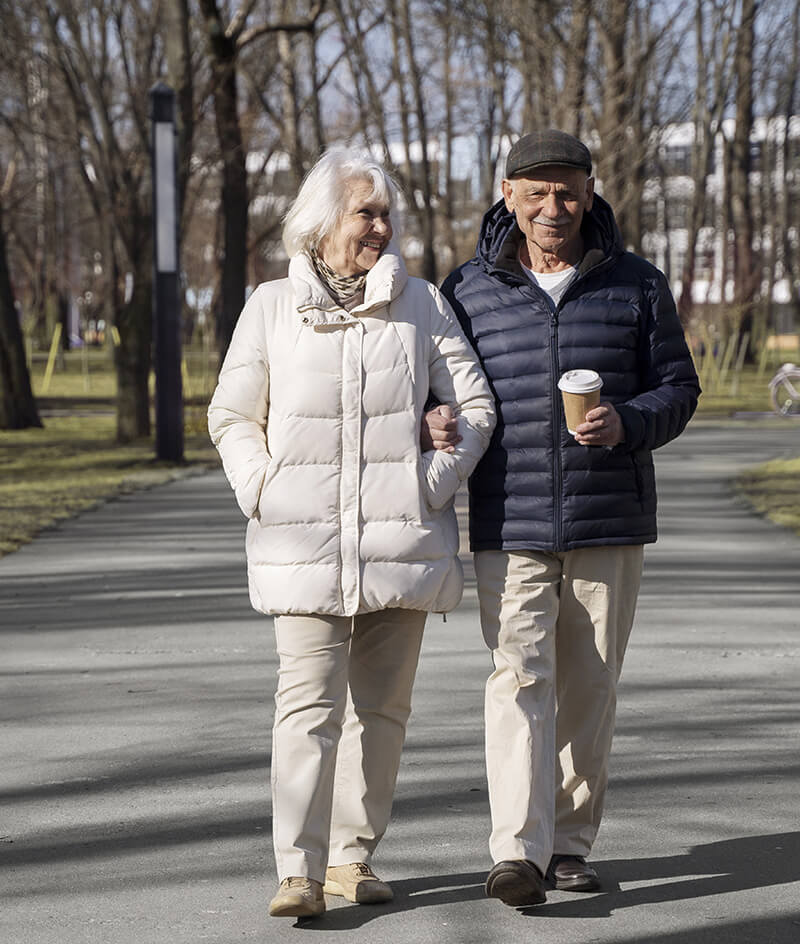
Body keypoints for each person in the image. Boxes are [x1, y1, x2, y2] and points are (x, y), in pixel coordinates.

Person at [208, 148, 495, 920]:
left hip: (400, 547)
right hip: (300, 547)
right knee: (306, 709)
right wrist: (260, 489)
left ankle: (352, 859)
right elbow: (232, 415)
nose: (381, 226)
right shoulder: (270, 306)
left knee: (383, 713)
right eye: (366, 212)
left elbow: (475, 407)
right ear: (322, 220)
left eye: (384, 213)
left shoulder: (423, 305)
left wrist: (430, 481)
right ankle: (296, 871)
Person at [430, 128, 700, 908]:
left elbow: (678, 389)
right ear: (507, 194)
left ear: (590, 190)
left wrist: (628, 420)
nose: (555, 206)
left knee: (589, 683)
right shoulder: (466, 290)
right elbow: (435, 391)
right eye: (537, 191)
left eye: (568, 189)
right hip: (508, 519)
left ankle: (570, 844)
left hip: (608, 517)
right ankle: (517, 849)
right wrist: (433, 420)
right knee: (518, 678)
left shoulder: (637, 283)